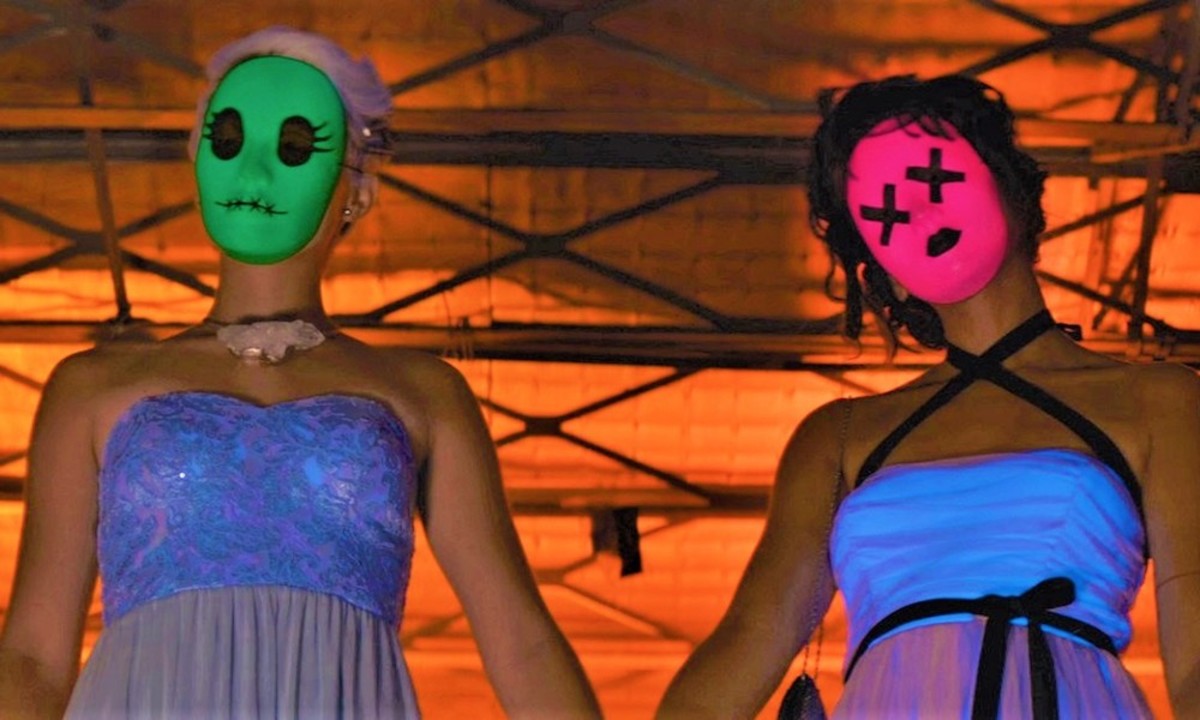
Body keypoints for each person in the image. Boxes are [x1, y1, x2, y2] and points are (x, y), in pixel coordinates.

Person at [0, 26, 600, 720]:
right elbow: (33, 655)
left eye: (294, 148)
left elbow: (521, 641)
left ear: (356, 191)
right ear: (198, 162)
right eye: (228, 140)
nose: (254, 173)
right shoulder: (91, 387)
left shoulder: (425, 393)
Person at [657, 75, 1200, 718]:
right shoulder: (838, 437)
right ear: (880, 271)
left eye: (937, 179)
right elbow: (749, 638)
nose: (921, 214)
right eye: (885, 213)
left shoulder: (1158, 400)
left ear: (1012, 188)